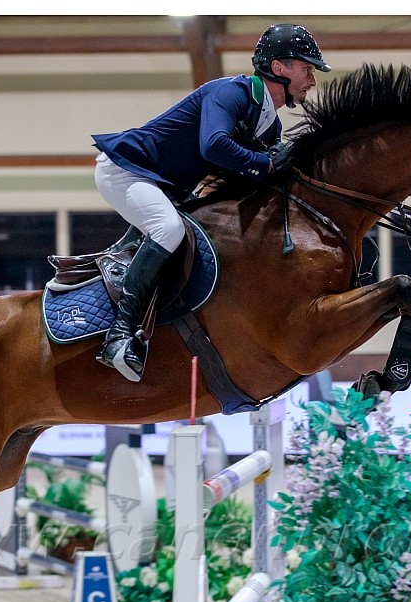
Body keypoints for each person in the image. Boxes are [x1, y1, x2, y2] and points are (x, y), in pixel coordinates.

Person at [68, 23, 330, 383]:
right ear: (279, 67)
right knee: (169, 228)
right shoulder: (231, 92)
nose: (312, 80)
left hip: (164, 186)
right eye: (307, 68)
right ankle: (118, 335)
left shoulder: (269, 127)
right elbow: (214, 146)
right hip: (126, 171)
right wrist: (267, 162)